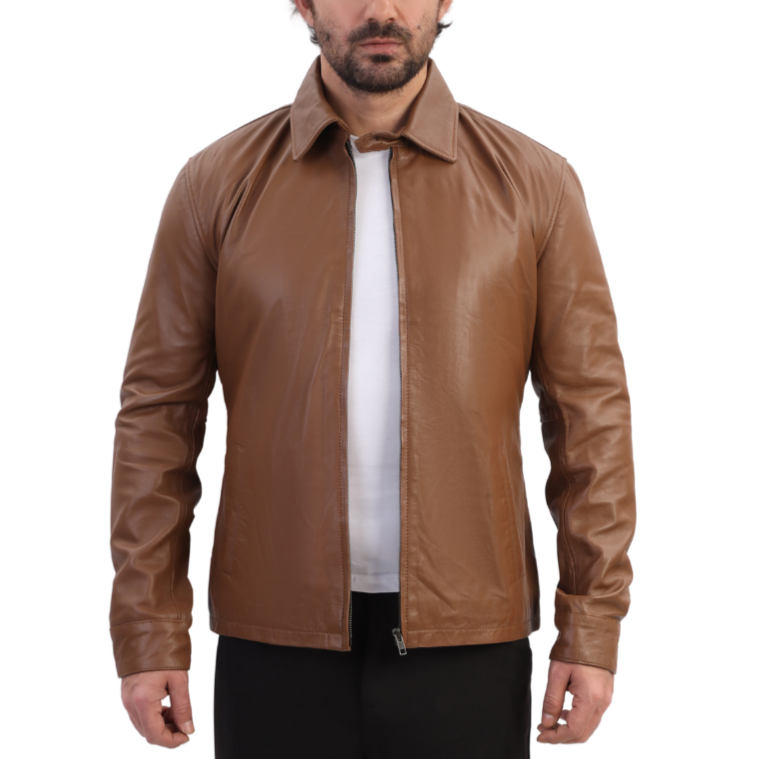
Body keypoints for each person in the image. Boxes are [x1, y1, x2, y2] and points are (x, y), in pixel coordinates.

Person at [110, 1, 637, 756]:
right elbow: (158, 415)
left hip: (470, 638)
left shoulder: (535, 184)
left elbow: (590, 417)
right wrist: (147, 628)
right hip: (275, 638)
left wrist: (591, 627)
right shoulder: (215, 184)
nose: (383, 9)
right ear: (302, 3)